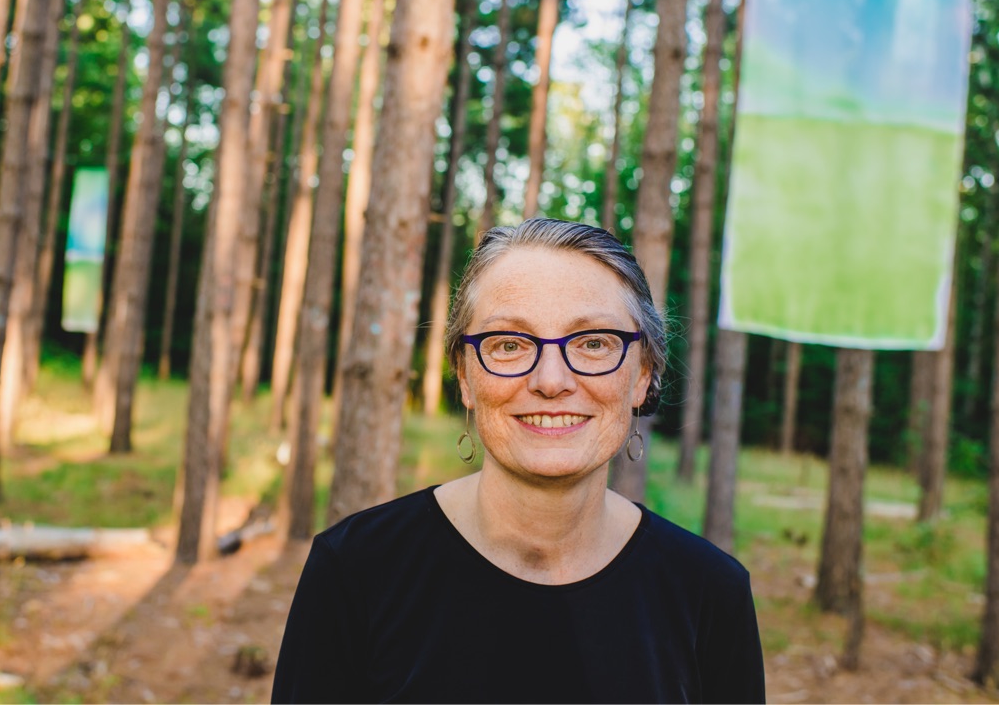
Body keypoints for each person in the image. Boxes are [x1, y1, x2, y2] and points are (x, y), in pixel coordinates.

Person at [272, 218, 764, 704]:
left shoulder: (711, 594)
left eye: (592, 343)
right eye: (509, 344)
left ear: (641, 376)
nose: (551, 380)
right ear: (465, 376)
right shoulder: (354, 570)